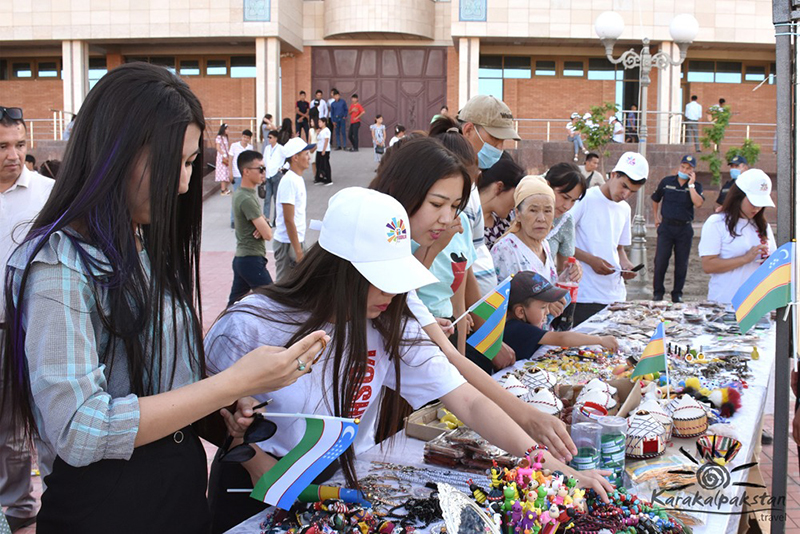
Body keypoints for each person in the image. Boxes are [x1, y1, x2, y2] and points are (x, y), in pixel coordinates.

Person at [0, 62, 328, 534]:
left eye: (191, 162)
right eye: (171, 161)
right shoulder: (59, 264)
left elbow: (162, 384)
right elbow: (78, 428)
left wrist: (222, 411)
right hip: (107, 512)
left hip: (179, 494)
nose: (182, 183)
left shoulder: (144, 240)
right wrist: (229, 384)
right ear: (113, 152)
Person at [204, 187, 612, 532]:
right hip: (254, 486)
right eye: (381, 280)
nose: (391, 294)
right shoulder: (251, 324)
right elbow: (204, 410)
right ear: (339, 270)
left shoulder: (389, 323)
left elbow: (468, 401)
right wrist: (254, 460)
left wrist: (558, 471)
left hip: (336, 484)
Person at [371, 137, 579, 460]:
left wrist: (532, 427)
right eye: (438, 204)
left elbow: (458, 373)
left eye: (455, 206)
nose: (447, 218)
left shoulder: (406, 297)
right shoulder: (393, 282)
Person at [0, 105, 54, 533]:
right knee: (8, 432)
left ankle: (58, 506)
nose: (13, 155)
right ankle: (19, 514)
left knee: (49, 421)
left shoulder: (49, 193)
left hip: (38, 327)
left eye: (19, 144)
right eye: (2, 146)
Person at [572, 152, 649, 326]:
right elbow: (561, 240)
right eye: (624, 186)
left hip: (616, 296)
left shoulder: (625, 209)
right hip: (585, 295)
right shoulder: (585, 198)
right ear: (613, 175)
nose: (626, 194)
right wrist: (590, 260)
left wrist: (626, 265)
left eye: (632, 191)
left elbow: (619, 248)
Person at [699, 169, 776, 305]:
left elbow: (773, 260)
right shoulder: (717, 223)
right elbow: (708, 265)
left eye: (761, 203)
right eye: (753, 202)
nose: (757, 208)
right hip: (725, 303)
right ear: (738, 197)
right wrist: (745, 259)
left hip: (757, 304)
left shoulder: (763, 225)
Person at [504, 272, 618, 362]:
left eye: (548, 306)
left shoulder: (521, 323)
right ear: (520, 312)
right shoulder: (516, 328)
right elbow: (562, 338)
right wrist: (600, 340)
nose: (547, 311)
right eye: (543, 307)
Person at [651, 155, 704, 303]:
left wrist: (691, 185)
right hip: (666, 227)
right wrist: (656, 217)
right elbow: (655, 198)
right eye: (683, 167)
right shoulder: (667, 182)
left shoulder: (696, 186)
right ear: (679, 166)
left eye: (688, 168)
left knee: (682, 263)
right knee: (660, 261)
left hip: (684, 228)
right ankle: (658, 293)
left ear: (693, 170)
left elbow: (698, 203)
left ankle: (677, 294)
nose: (684, 170)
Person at [229, 150, 274, 306]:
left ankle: (223, 323)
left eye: (264, 169)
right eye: (260, 169)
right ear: (246, 171)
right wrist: (263, 225)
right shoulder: (246, 198)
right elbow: (268, 234)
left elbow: (264, 227)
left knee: (233, 306)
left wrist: (263, 223)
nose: (263, 173)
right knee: (273, 300)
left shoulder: (242, 194)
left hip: (243, 259)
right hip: (250, 260)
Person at [274, 137, 314, 281]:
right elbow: (288, 220)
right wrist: (298, 252)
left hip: (297, 240)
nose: (309, 157)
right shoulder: (289, 181)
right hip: (287, 242)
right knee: (283, 285)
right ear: (295, 158)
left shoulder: (297, 179)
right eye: (306, 154)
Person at [458, 94, 521, 171]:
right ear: (468, 130)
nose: (499, 148)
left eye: (503, 140)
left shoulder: (500, 164)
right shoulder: (446, 168)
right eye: (494, 137)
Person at [479, 154, 523, 252]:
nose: (516, 204)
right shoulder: (465, 221)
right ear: (499, 187)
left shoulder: (504, 224)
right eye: (515, 196)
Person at [228, 129, 254, 228]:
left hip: (246, 176)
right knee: (236, 198)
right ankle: (233, 220)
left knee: (246, 198)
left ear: (249, 139)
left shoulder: (250, 148)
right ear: (241, 136)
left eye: (247, 138)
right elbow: (230, 160)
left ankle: (244, 220)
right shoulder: (234, 146)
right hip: (237, 175)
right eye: (244, 137)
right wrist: (230, 172)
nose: (245, 139)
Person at [262, 130, 284, 222]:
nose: (269, 139)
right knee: (267, 198)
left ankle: (276, 219)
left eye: (270, 137)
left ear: (276, 138)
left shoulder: (281, 148)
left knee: (276, 198)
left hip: (276, 175)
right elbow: (264, 160)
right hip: (268, 175)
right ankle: (266, 218)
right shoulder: (267, 148)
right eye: (268, 137)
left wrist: (282, 168)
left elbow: (288, 159)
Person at [313, 117, 332, 185]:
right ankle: (319, 178)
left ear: (324, 123)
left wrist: (324, 150)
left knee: (325, 164)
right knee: (318, 164)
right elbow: (318, 139)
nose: (319, 123)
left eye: (320, 122)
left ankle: (328, 179)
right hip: (319, 149)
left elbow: (326, 141)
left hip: (325, 150)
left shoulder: (327, 130)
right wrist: (317, 133)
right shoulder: (320, 130)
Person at [215, 122, 231, 195]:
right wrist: (223, 153)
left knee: (226, 172)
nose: (228, 131)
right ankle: (223, 189)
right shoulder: (219, 137)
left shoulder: (225, 137)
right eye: (227, 129)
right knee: (223, 173)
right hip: (222, 157)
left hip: (226, 156)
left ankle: (225, 188)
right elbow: (218, 147)